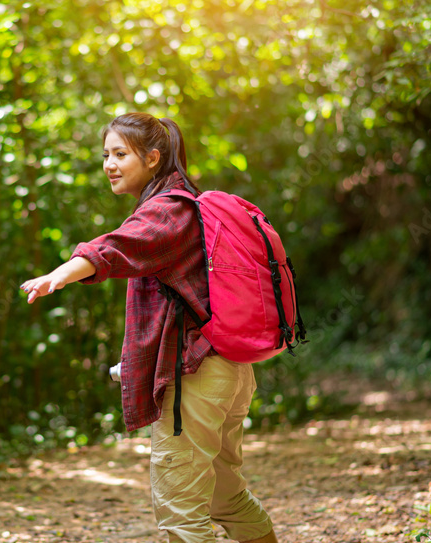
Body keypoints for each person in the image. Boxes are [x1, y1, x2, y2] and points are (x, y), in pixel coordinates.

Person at [21, 113, 277, 543]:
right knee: (224, 498)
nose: (109, 164)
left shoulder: (168, 209)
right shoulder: (185, 205)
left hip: (196, 377)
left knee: (181, 512)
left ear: (153, 158)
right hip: (225, 370)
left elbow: (119, 248)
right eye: (106, 154)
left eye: (121, 154)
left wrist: (62, 274)